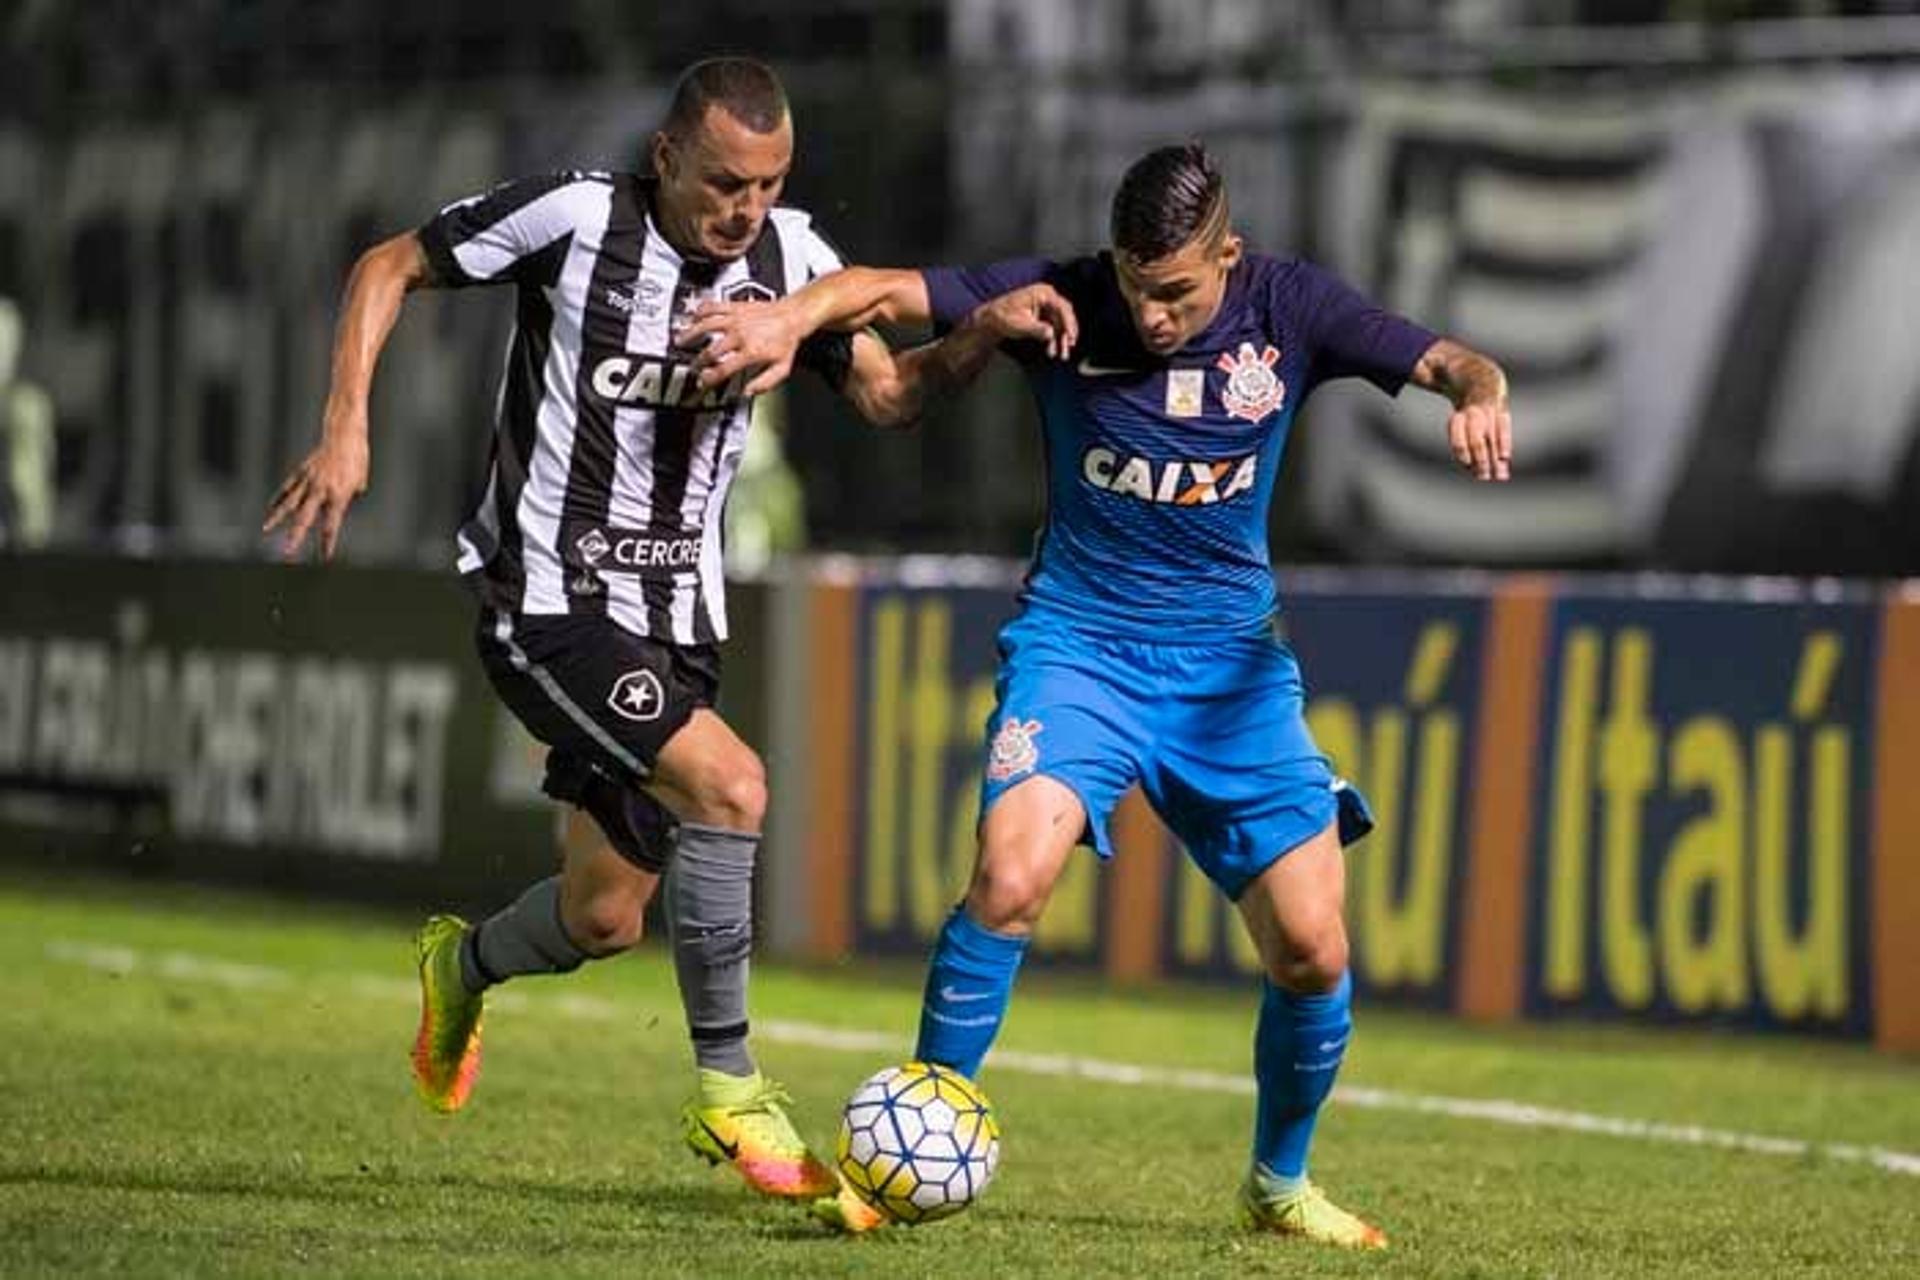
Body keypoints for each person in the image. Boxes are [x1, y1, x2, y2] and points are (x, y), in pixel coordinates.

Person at [682, 141, 1512, 1246]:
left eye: (1174, 291)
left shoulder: (1292, 306)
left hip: (1231, 674)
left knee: (1314, 946)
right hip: (1081, 649)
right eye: (1134, 285)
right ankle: (900, 1154)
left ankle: (1278, 1182)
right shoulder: (1066, 298)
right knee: (1011, 872)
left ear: (1229, 255)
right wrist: (788, 321)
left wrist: (1480, 396)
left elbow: (1459, 360)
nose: (1151, 313)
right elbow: (876, 288)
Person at [261, 56, 1027, 1203]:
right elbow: (389, 264)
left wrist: (988, 335)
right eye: (724, 181)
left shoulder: (793, 262)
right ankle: (730, 1089)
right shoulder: (575, 218)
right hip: (548, 597)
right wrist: (345, 427)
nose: (746, 209)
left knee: (604, 916)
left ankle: (459, 965)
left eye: (768, 184)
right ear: (667, 156)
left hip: (679, 621)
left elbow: (887, 397)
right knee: (732, 785)